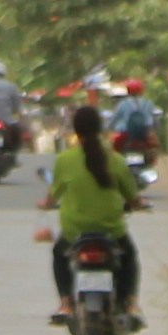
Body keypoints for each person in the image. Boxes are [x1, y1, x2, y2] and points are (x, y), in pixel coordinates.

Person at [40, 107, 138, 309]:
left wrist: (45, 204)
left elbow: (52, 196)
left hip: (75, 230)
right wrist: (138, 204)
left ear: (75, 130)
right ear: (100, 129)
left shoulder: (64, 160)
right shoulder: (117, 160)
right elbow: (133, 198)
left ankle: (66, 304)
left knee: (60, 255)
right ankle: (130, 303)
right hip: (111, 230)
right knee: (129, 256)